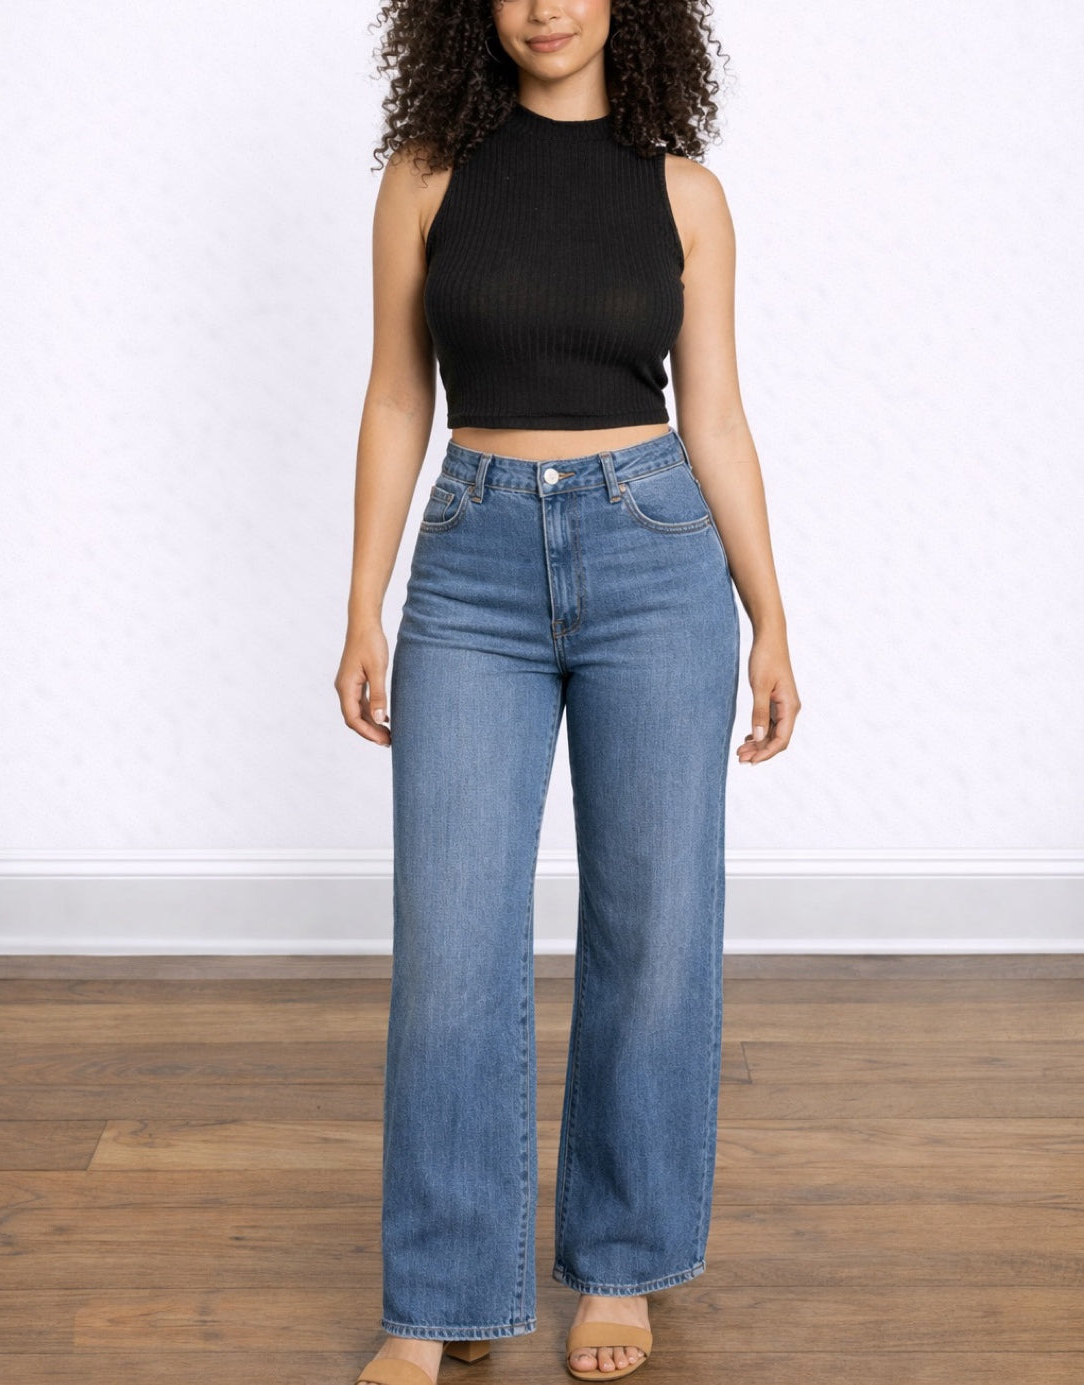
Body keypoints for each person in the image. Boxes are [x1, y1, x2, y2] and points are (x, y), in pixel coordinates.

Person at [334, 2, 800, 1382]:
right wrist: (361, 599)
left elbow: (714, 413)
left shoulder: (685, 194)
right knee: (450, 939)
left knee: (654, 923)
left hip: (655, 552)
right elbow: (394, 397)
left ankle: (621, 1261)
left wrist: (771, 614)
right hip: (471, 561)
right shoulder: (424, 175)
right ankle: (441, 1292)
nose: (545, 4)